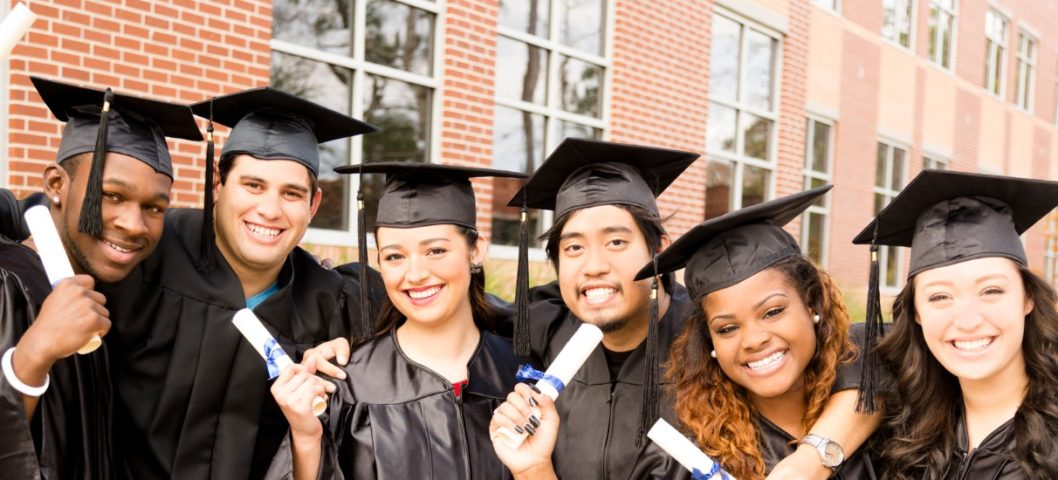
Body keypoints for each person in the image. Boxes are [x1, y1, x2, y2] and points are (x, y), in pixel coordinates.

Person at [490, 138, 882, 480]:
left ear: (658, 250)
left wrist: (809, 462)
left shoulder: (706, 348)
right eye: (574, 247)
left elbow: (872, 360)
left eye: (616, 242)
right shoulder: (545, 327)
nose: (593, 265)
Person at [96, 87, 377, 479]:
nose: (269, 209)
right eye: (253, 185)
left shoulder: (332, 300)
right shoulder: (146, 251)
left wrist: (360, 352)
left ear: (313, 205)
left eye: (291, 193)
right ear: (219, 183)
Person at [268, 162, 526, 479]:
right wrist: (306, 437)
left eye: (435, 250)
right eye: (394, 256)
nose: (415, 274)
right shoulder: (346, 385)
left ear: (475, 251)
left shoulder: (522, 373)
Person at [0, 76, 201, 479]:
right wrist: (34, 353)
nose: (134, 224)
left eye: (154, 207)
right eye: (112, 196)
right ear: (56, 184)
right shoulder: (6, 283)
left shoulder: (97, 294)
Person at [648, 186, 876, 478]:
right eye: (728, 328)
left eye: (773, 312)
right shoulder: (686, 459)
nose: (755, 340)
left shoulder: (886, 401)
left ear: (811, 305)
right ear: (710, 343)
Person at [855, 170, 1058, 479]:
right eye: (940, 297)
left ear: (1027, 298)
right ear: (916, 313)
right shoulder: (906, 432)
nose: (967, 321)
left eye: (991, 291)